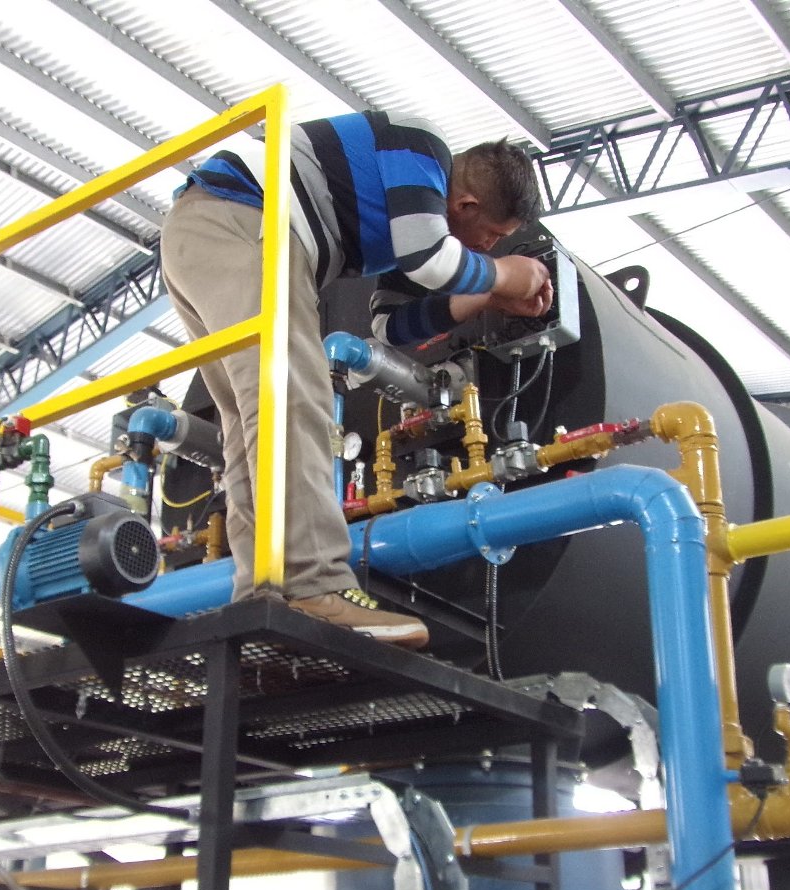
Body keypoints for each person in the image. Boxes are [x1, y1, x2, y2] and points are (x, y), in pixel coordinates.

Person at [160, 111, 552, 649]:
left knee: (249, 421)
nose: (489, 249)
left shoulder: (394, 211)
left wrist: (487, 293)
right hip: (247, 221)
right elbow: (432, 259)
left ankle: (263, 589)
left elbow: (390, 326)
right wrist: (510, 274)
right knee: (298, 394)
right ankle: (316, 587)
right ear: (466, 206)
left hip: (205, 233)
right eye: (493, 236)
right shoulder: (423, 147)